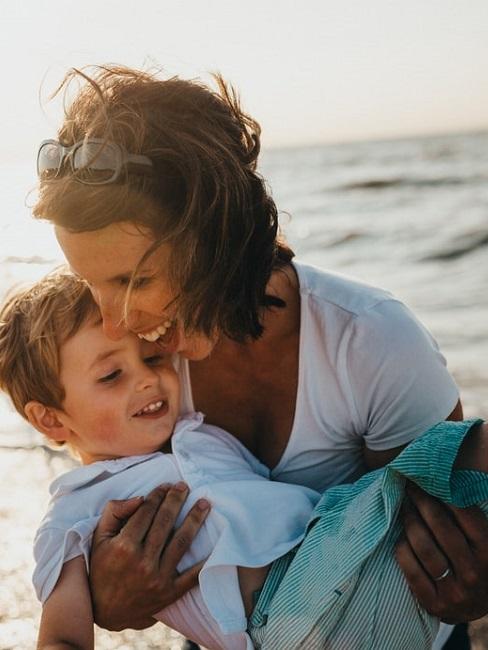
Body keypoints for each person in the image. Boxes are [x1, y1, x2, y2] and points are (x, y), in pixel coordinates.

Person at [32, 64, 488, 648]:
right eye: (91, 284)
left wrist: (473, 579)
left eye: (136, 281)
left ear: (216, 238)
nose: (116, 321)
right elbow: (135, 531)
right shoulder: (136, 368)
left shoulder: (368, 341)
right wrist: (116, 601)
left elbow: (440, 541)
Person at [0, 270, 487, 650]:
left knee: (454, 465)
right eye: (111, 376)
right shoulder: (75, 511)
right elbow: (62, 635)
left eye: (151, 359)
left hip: (346, 572)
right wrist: (102, 604)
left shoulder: (200, 434)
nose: (148, 380)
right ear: (49, 420)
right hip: (288, 613)